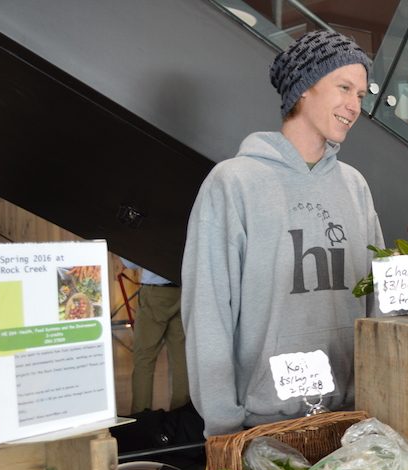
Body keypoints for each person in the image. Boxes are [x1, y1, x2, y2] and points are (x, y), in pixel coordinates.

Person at [182, 30, 383, 437]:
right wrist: (223, 426)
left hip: (351, 420)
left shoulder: (354, 185)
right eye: (344, 87)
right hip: (261, 427)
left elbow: (377, 301)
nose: (354, 105)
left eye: (361, 94)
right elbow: (208, 309)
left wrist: (378, 396)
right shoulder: (234, 182)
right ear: (304, 89)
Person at [120, 259, 189, 413]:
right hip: (182, 290)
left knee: (144, 359)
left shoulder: (147, 233)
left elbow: (130, 262)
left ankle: (141, 417)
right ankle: (180, 416)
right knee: (181, 359)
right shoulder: (184, 232)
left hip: (155, 292)